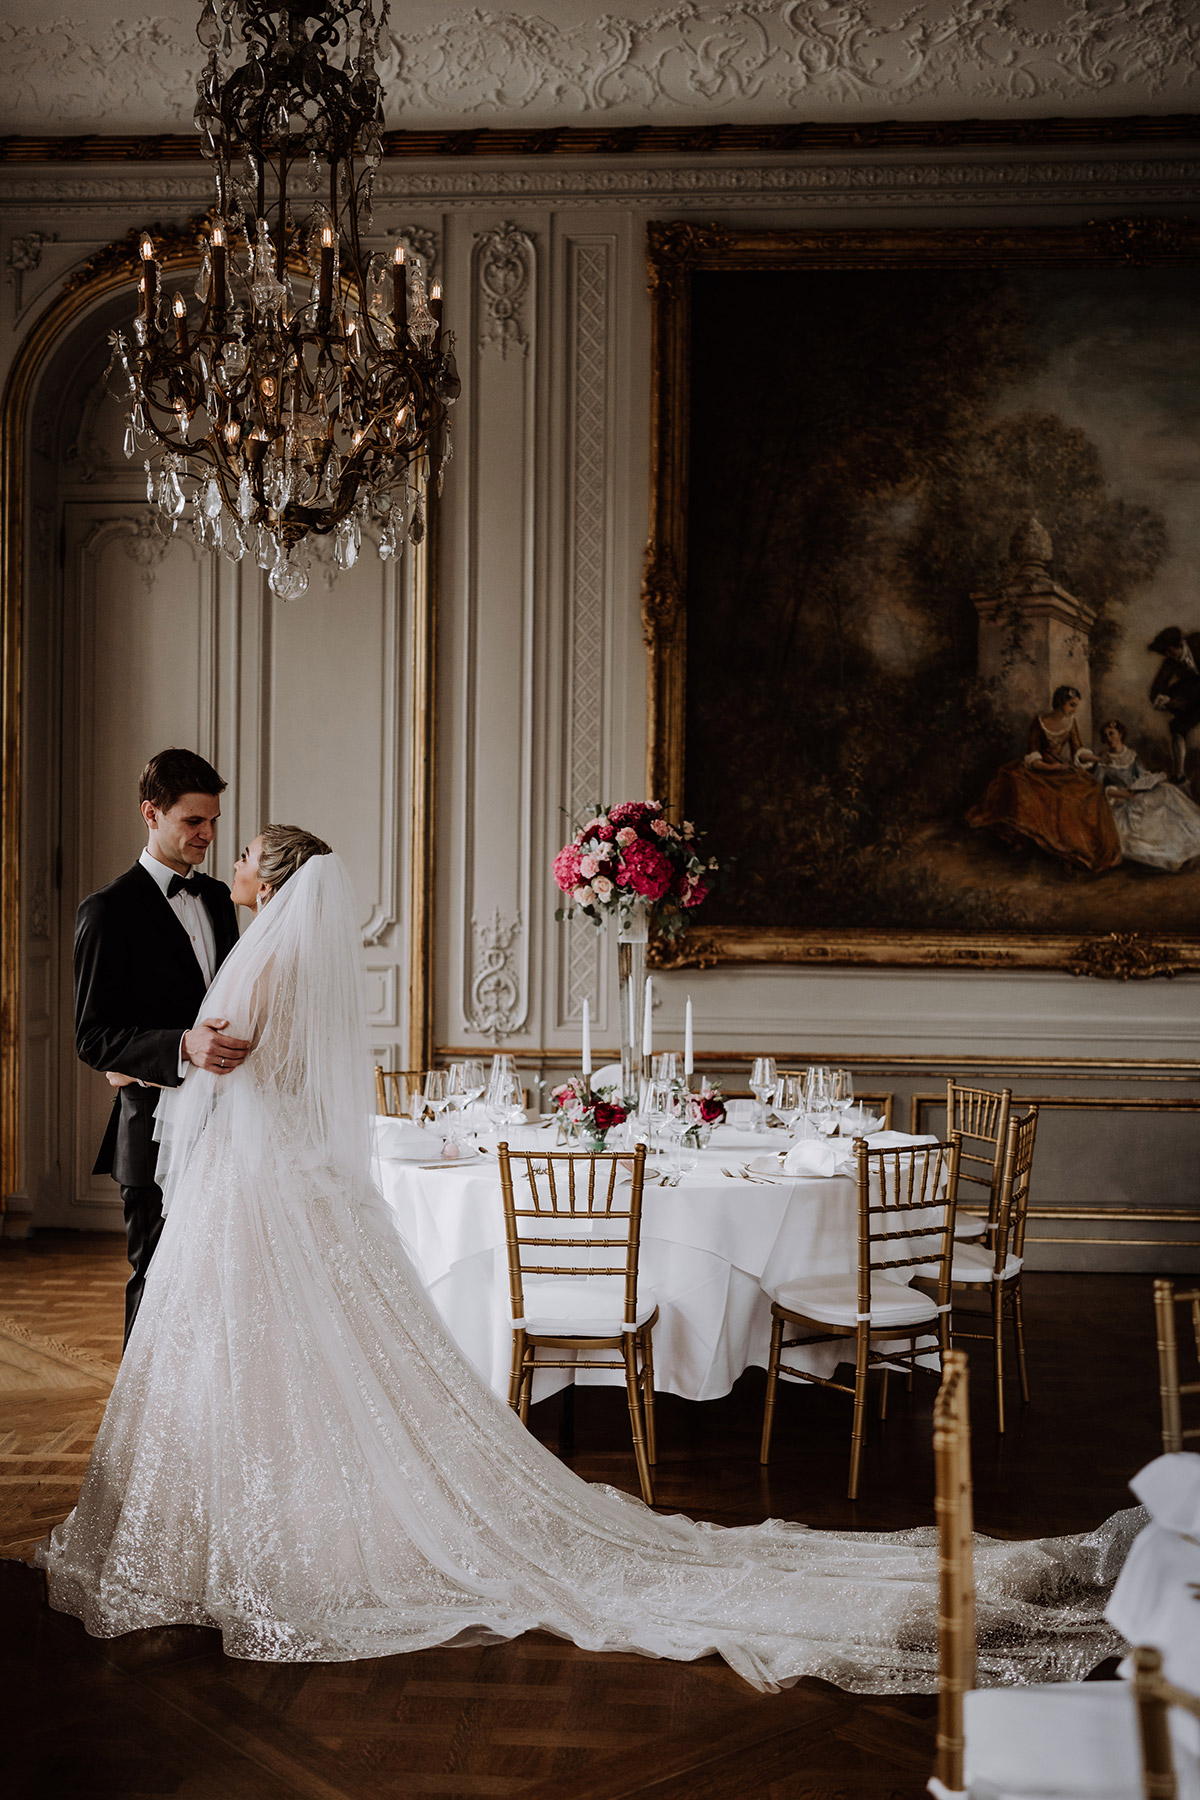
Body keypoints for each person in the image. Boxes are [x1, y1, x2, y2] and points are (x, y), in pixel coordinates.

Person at [40, 829, 1137, 1692]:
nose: (226, 861)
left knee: (263, 1354)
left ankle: (247, 1522)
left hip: (257, 1196)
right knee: (308, 1359)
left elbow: (225, 1080)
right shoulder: (293, 966)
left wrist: (187, 1058)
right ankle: (268, 1513)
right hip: (289, 1193)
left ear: (266, 878)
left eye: (240, 853)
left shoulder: (252, 968)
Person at [73, 748, 246, 1346]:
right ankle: (138, 1429)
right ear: (152, 813)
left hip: (225, 1127)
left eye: (213, 820)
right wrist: (180, 1047)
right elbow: (93, 1037)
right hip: (150, 1132)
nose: (208, 834)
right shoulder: (107, 911)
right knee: (156, 1279)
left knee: (215, 1281)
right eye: (193, 822)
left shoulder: (220, 899)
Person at [966, 685, 1122, 873]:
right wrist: (1053, 767)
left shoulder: (1071, 723)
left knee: (1092, 788)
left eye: (1076, 706)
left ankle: (1076, 849)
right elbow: (1032, 754)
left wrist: (1097, 758)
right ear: (1060, 703)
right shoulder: (1039, 722)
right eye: (1071, 705)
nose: (1074, 710)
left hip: (1060, 768)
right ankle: (1050, 847)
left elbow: (1078, 750)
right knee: (1033, 790)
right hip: (1038, 769)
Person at [1091, 718, 1200, 873]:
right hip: (1122, 799)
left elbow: (1142, 776)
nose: (1110, 739)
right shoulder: (1103, 760)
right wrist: (1119, 793)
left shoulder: (1131, 755)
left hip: (1140, 792)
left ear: (1120, 734)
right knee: (1142, 817)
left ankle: (1188, 842)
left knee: (1168, 790)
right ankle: (1168, 855)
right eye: (1106, 736)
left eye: (1112, 734)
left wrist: (1153, 779)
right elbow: (1097, 787)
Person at [1148, 627, 1200, 786]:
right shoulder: (1170, 662)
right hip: (1196, 700)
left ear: (1178, 646)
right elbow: (1156, 691)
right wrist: (1170, 702)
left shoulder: (1198, 642)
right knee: (1177, 728)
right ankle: (1180, 776)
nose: (1168, 656)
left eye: (1170, 651)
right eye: (1166, 653)